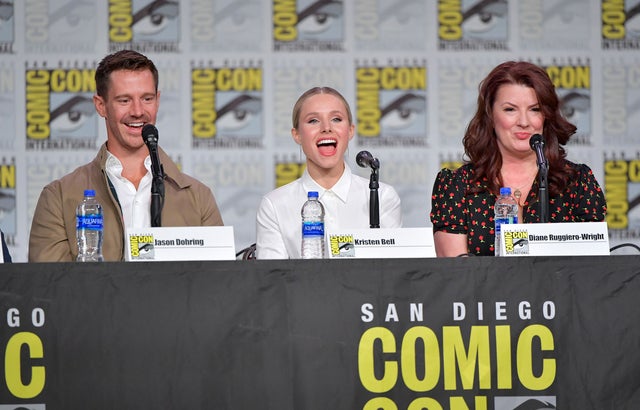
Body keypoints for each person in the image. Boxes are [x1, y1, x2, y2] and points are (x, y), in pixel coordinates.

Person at [29, 50, 223, 262]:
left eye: (147, 98)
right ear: (100, 105)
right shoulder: (58, 197)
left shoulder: (199, 197)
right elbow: (48, 290)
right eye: (124, 100)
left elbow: (217, 286)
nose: (138, 111)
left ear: (157, 101)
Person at [430, 61, 606, 257]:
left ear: (546, 116)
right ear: (490, 115)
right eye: (510, 109)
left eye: (535, 109)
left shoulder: (578, 183)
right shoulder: (457, 186)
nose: (524, 122)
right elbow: (456, 278)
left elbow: (591, 272)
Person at [256, 86, 402, 259]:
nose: (326, 128)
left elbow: (394, 274)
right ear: (297, 135)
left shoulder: (383, 197)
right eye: (313, 121)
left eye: (336, 119)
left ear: (350, 130)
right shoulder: (274, 205)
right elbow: (273, 280)